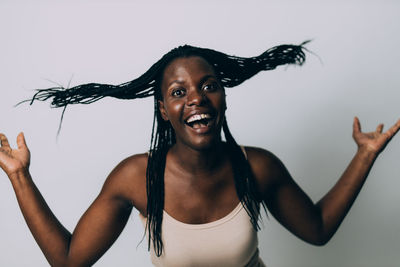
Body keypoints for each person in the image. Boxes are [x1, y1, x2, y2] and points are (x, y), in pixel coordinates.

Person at [0, 43, 399, 267]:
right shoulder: (136, 177)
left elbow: (317, 229)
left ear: (222, 97)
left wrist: (365, 155)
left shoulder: (256, 166)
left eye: (209, 86)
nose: (196, 99)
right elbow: (70, 262)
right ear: (162, 109)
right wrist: (19, 176)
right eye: (178, 92)